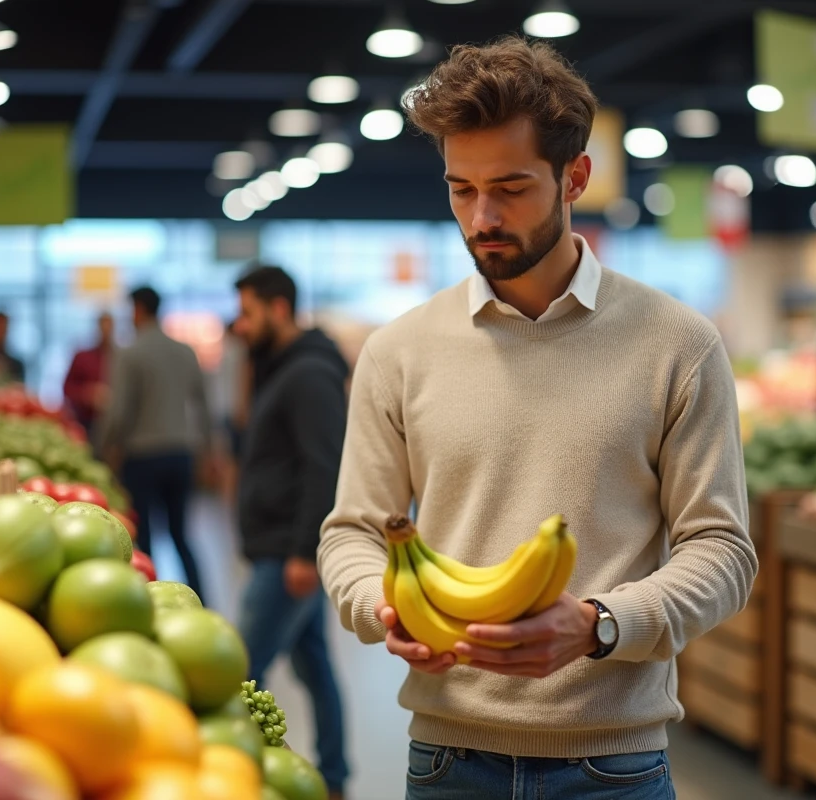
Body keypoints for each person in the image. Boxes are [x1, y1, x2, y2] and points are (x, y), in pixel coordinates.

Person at [318, 36, 756, 799]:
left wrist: (600, 623)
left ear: (574, 176)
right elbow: (352, 532)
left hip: (614, 766)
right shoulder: (400, 351)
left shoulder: (678, 344)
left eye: (511, 188)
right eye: (461, 190)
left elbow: (722, 551)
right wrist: (382, 606)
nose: (482, 217)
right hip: (448, 761)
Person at [233, 265, 350, 800]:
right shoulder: (279, 366)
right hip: (280, 546)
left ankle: (232, 778)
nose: (239, 325)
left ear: (278, 309)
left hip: (288, 553)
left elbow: (324, 465)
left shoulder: (307, 375)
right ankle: (334, 776)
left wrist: (306, 550)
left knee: (236, 674)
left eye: (247, 312)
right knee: (315, 666)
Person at [97, 287, 213, 600]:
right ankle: (202, 598)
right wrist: (209, 449)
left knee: (144, 534)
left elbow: (119, 411)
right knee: (180, 533)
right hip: (180, 453)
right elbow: (203, 405)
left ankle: (150, 598)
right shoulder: (184, 351)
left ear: (137, 310)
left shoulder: (131, 353)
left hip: (142, 455)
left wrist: (104, 447)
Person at [62, 311, 115, 439]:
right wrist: (87, 394)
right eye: (103, 326)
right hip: (86, 421)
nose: (106, 331)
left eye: (109, 326)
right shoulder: (82, 357)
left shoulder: (122, 358)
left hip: (114, 422)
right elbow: (67, 388)